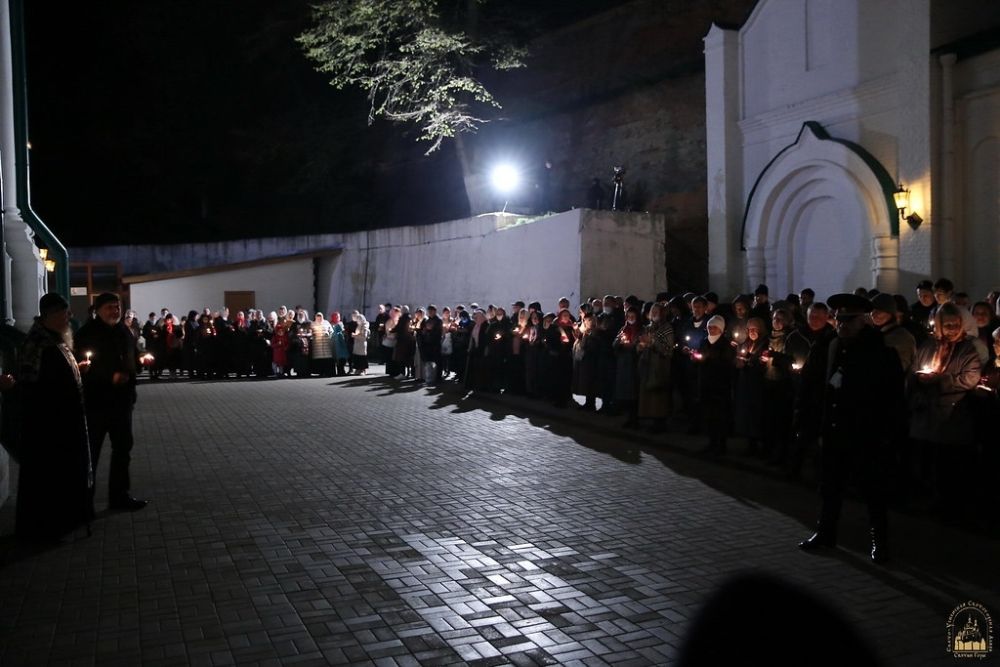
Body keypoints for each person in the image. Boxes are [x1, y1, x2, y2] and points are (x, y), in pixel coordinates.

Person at [799, 293, 901, 564]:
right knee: (831, 485)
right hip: (836, 430)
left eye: (849, 320)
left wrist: (885, 436)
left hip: (865, 432)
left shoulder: (879, 352)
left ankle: (880, 542)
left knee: (873, 491)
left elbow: (890, 398)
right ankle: (825, 532)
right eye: (839, 319)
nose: (842, 325)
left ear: (862, 320)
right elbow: (824, 390)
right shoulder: (833, 346)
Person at [14, 293, 93, 542]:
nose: (69, 317)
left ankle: (67, 519)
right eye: (65, 313)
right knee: (48, 477)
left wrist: (76, 371)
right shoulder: (37, 343)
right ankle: (47, 527)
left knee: (66, 473)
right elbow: (31, 382)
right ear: (51, 315)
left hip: (66, 418)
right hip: (48, 424)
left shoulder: (56, 339)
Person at [74, 292, 148, 512]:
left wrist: (140, 359)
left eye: (117, 307)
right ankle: (84, 503)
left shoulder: (123, 330)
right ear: (97, 310)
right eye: (109, 307)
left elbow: (132, 354)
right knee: (91, 453)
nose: (114, 311)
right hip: (97, 401)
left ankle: (119, 496)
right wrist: (109, 376)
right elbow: (84, 365)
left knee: (123, 449)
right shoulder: (87, 333)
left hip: (122, 401)